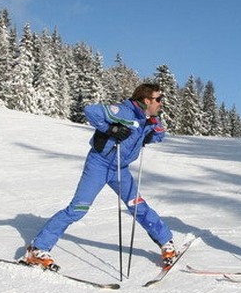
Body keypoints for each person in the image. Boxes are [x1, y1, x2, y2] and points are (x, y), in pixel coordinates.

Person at [20, 83, 176, 270]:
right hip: (99, 165)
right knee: (78, 208)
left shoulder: (149, 118)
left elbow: (160, 134)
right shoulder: (124, 111)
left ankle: (166, 242)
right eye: (158, 99)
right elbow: (91, 111)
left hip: (120, 168)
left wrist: (152, 132)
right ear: (146, 100)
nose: (161, 103)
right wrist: (111, 130)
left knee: (138, 206)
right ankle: (38, 249)